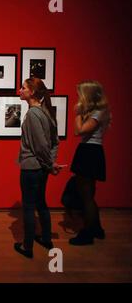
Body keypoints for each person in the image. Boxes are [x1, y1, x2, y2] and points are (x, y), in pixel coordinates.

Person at [14, 77, 62, 259]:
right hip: (41, 168)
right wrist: (51, 163)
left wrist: (50, 164)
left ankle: (27, 247)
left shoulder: (33, 114)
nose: (20, 90)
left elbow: (41, 145)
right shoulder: (46, 112)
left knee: (28, 206)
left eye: (23, 87)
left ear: (31, 92)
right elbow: (55, 142)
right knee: (41, 202)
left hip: (31, 167)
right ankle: (46, 239)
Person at [69, 80, 111, 245]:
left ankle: (87, 234)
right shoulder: (98, 111)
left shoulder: (97, 113)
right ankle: (97, 229)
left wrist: (79, 113)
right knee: (88, 194)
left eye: (81, 94)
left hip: (90, 152)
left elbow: (79, 130)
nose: (79, 97)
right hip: (91, 151)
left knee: (86, 196)